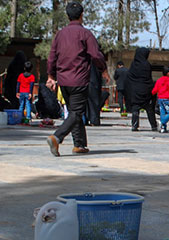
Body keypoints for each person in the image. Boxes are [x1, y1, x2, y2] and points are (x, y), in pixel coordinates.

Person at [45, 1, 108, 157]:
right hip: (79, 80)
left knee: (74, 112)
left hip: (63, 81)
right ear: (82, 15)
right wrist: (104, 70)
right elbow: (95, 55)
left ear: (67, 16)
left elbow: (52, 57)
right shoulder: (85, 34)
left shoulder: (60, 34)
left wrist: (51, 76)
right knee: (76, 113)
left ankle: (79, 145)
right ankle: (57, 137)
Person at [126, 47, 158, 132]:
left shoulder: (133, 65)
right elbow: (148, 78)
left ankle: (134, 126)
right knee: (149, 109)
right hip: (146, 91)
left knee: (135, 109)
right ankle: (153, 126)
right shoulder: (146, 64)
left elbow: (129, 77)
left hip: (135, 92)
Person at [152, 66, 169, 133]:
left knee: (162, 113)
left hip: (160, 99)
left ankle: (163, 128)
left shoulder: (159, 80)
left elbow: (155, 90)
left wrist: (151, 93)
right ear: (168, 73)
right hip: (167, 99)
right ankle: (162, 122)